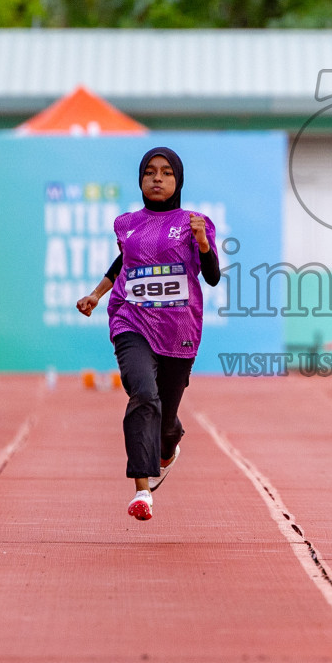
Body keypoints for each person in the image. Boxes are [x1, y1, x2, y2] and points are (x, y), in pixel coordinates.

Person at [77, 147, 219, 522]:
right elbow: (123, 261)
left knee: (166, 421)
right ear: (140, 180)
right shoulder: (127, 223)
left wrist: (203, 243)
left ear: (178, 181)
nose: (158, 178)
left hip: (179, 330)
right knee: (142, 393)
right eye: (150, 172)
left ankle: (168, 444)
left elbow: (213, 276)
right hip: (131, 320)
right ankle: (142, 490)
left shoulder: (194, 222)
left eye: (167, 173)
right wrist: (96, 294)